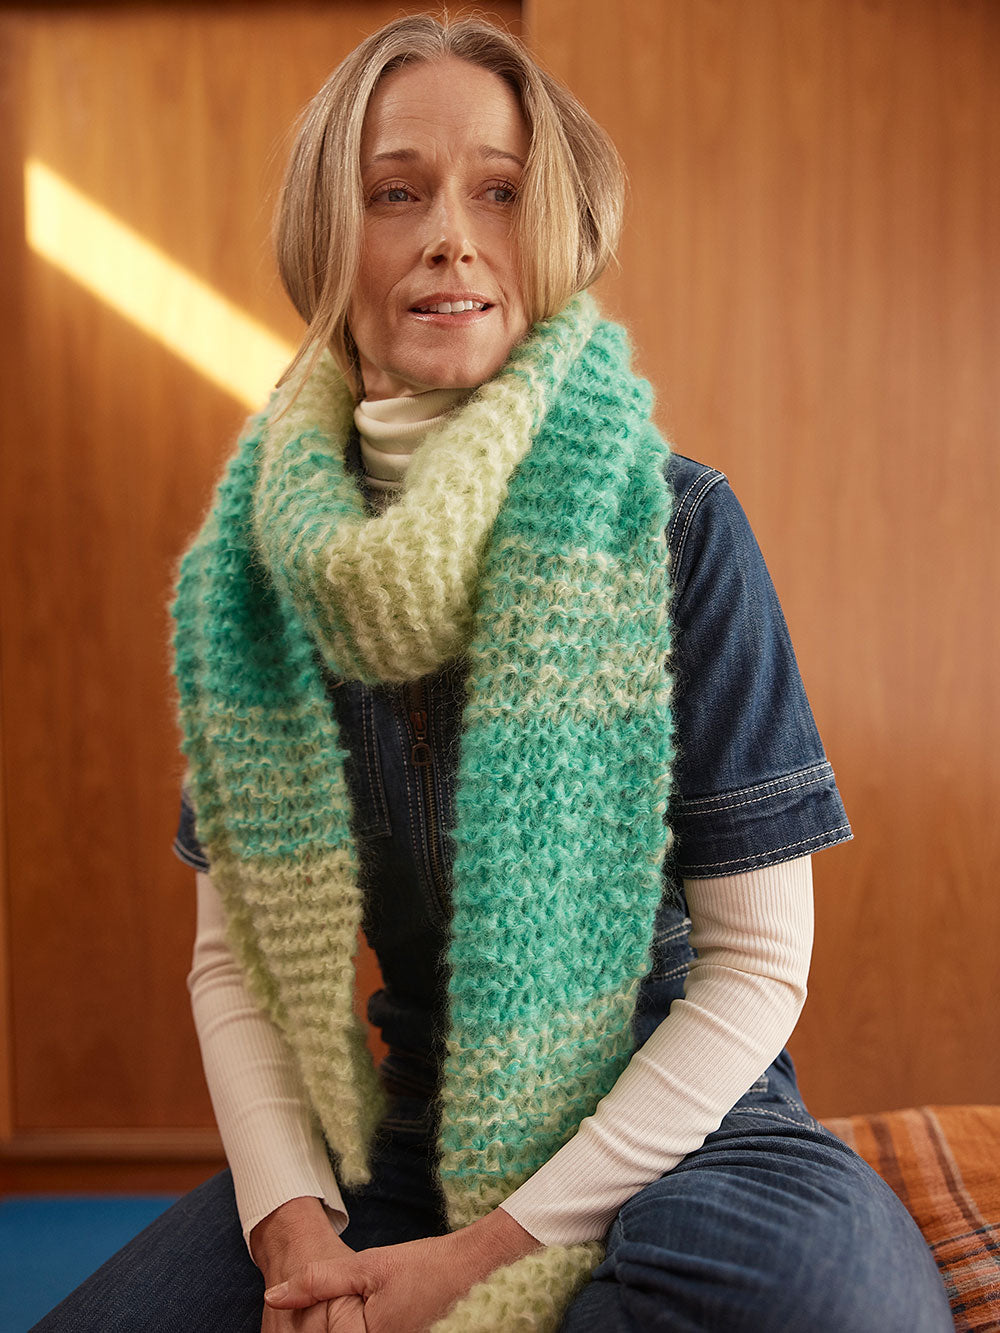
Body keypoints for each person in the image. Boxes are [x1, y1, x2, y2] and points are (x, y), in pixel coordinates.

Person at [33, 14, 952, 1333]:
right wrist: (297, 1231)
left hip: (690, 1126)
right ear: (328, 236)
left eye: (502, 192)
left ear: (558, 233)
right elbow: (236, 969)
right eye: (395, 192)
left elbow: (755, 968)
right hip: (404, 1141)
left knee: (843, 1307)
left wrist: (477, 1261)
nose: (451, 235)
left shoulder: (678, 526)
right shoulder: (258, 575)